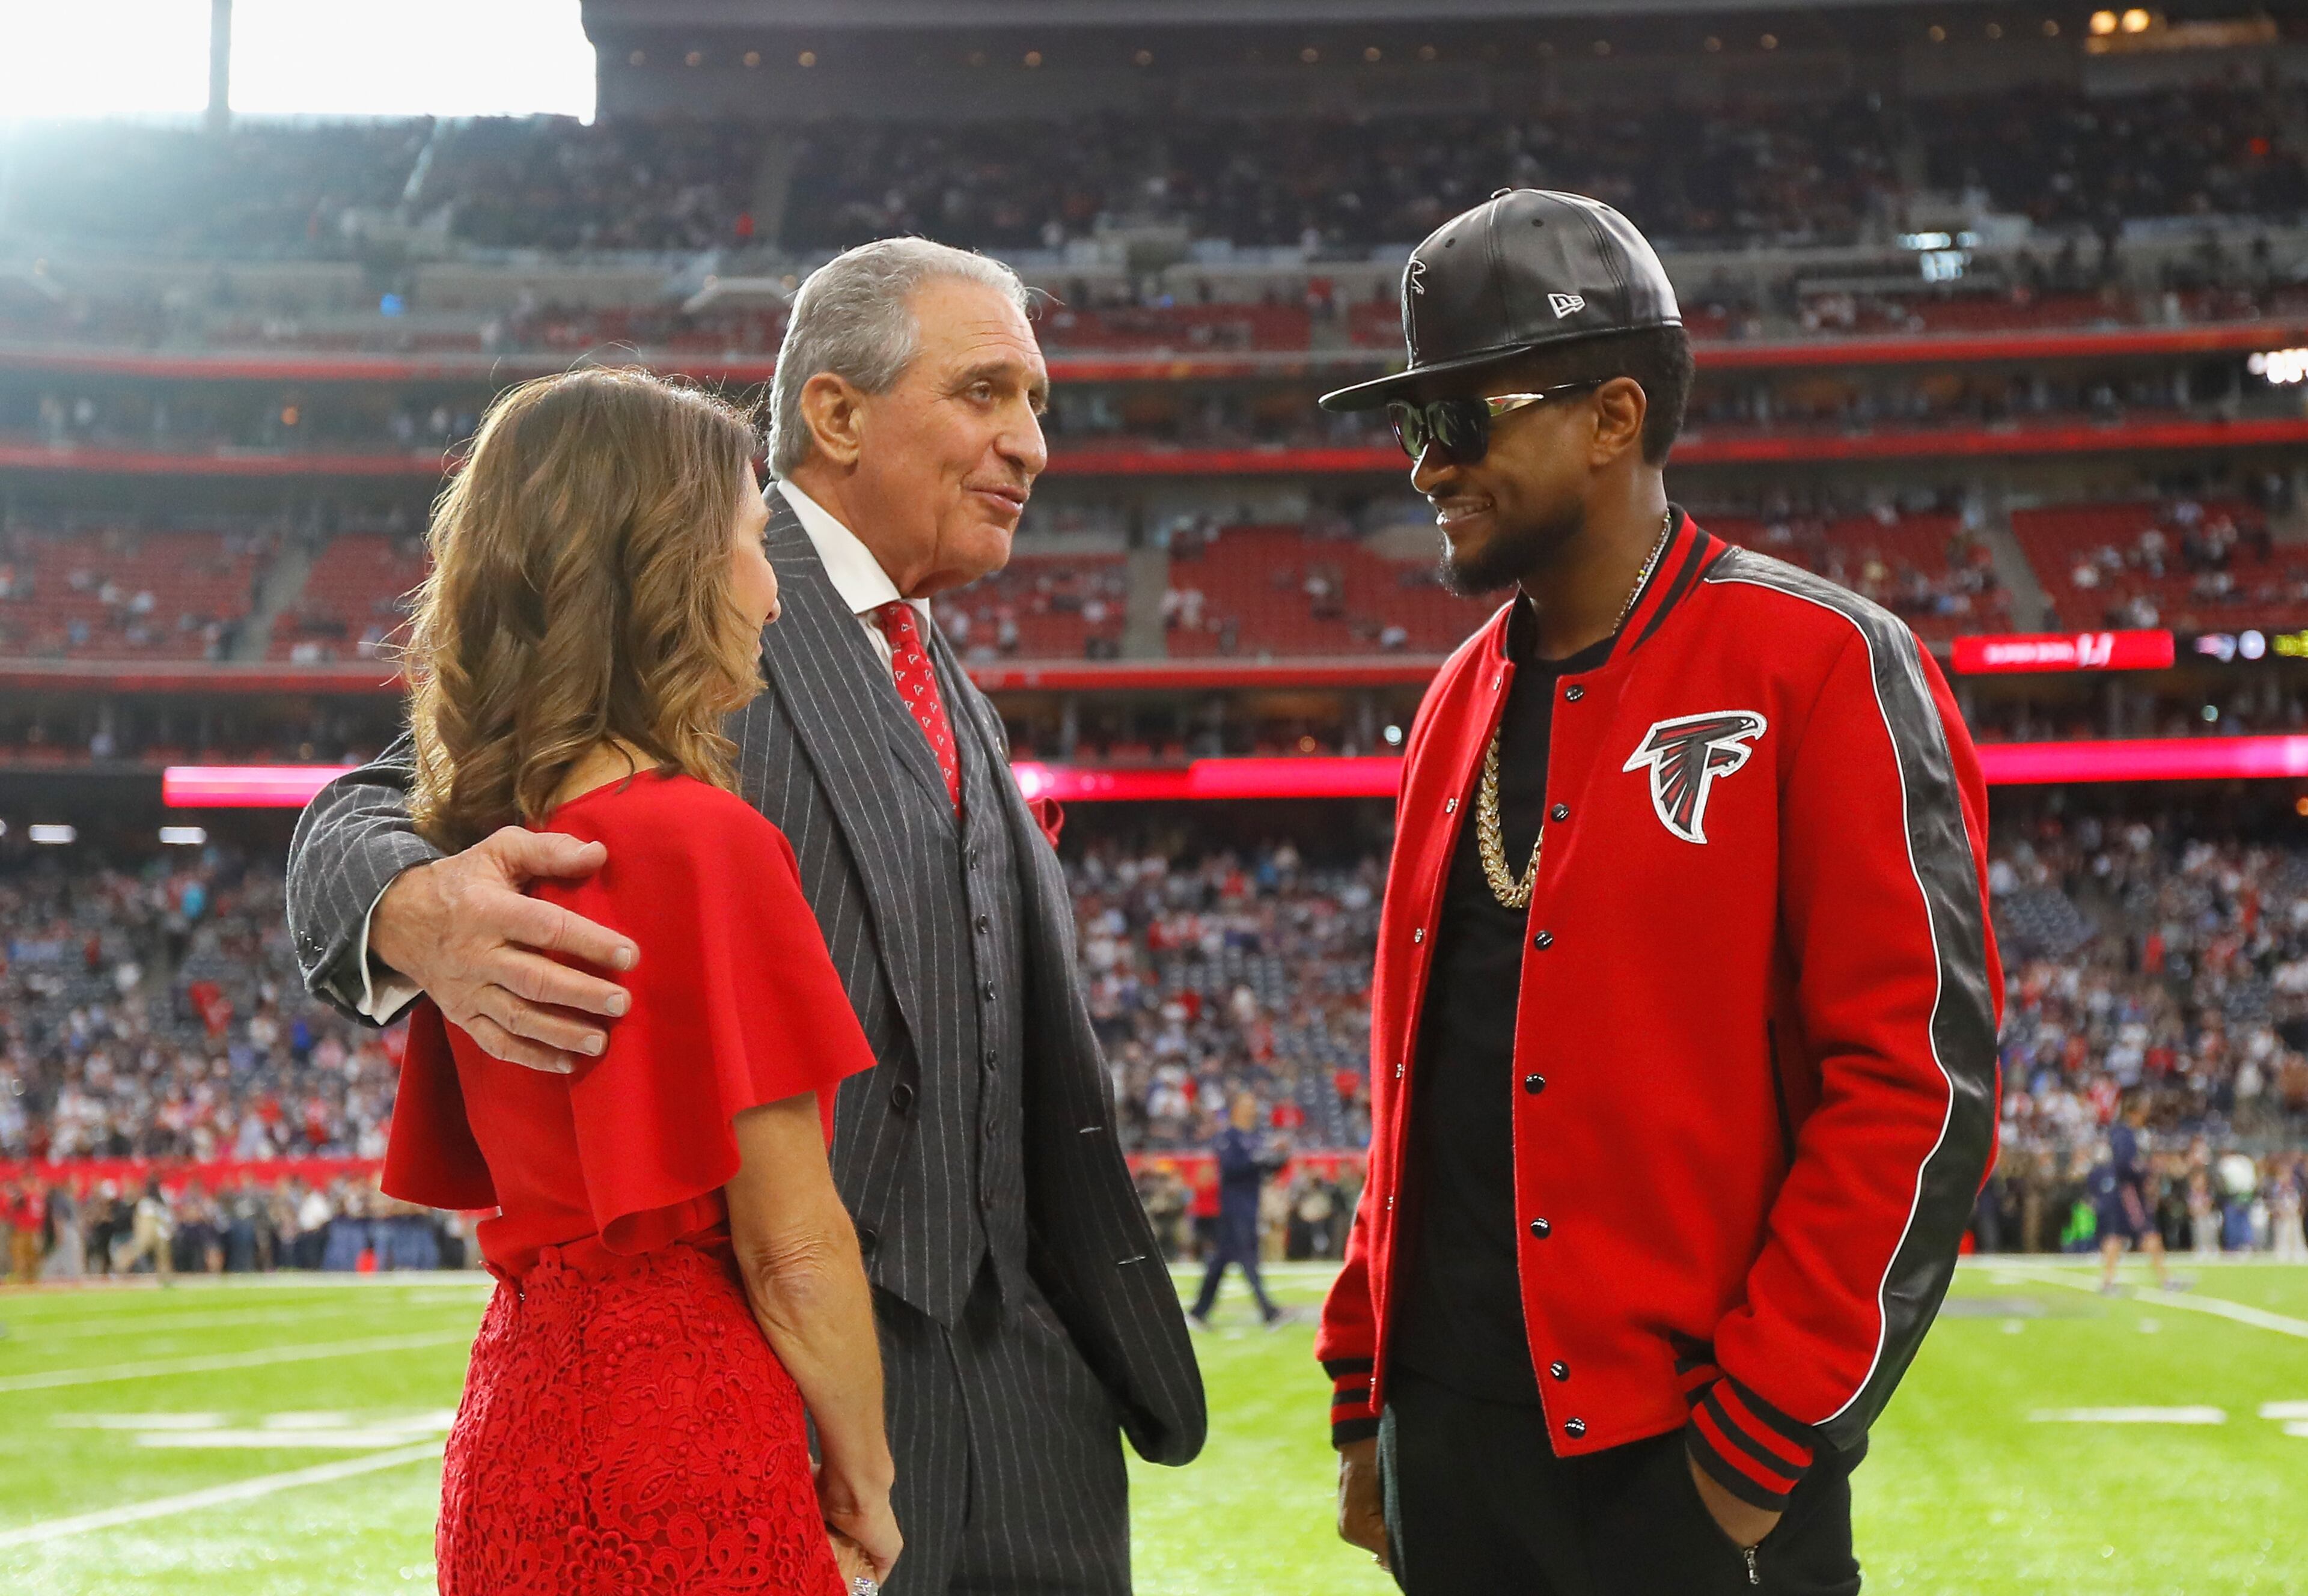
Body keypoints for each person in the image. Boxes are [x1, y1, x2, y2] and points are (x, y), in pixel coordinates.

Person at [287, 239, 1204, 1595]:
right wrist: (410, 905)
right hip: (796, 1396)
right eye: (986, 393)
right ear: (835, 413)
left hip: (1029, 1397)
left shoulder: (945, 670)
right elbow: (374, 803)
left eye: (1039, 402)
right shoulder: (690, 598)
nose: (1029, 443)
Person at [1311, 190, 2002, 1595]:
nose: (1424, 465)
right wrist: (1364, 1389)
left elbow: (1914, 1081)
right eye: (1410, 424)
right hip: (1444, 1453)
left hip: (1681, 1464)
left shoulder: (1816, 661)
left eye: (1461, 416)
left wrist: (1756, 1439)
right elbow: (1412, 1079)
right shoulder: (1451, 698)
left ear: (1611, 415)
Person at [372, 368, 896, 1596]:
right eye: (752, 549)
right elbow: (794, 1246)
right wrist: (864, 1468)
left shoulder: (481, 854)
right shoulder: (702, 840)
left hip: (513, 1428)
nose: (772, 595)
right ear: (667, 576)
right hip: (684, 1426)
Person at [1189, 1092, 1288, 1328]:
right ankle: (1268, 1310)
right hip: (1234, 1206)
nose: (1252, 1110)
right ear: (1236, 1109)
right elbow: (1231, 1168)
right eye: (1247, 1105)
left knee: (1222, 1259)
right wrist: (1259, 1159)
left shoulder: (1253, 1138)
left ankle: (1198, 1313)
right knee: (1247, 1255)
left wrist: (1280, 1155)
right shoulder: (1229, 1137)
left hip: (1250, 1204)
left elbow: (1267, 1169)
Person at [2093, 1094, 2176, 1293]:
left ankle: (2108, 1280)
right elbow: (2125, 1165)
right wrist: (2147, 1170)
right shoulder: (2125, 1135)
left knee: (2117, 1235)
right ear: (2133, 1112)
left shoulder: (2120, 1133)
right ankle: (2165, 1279)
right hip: (2129, 1192)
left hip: (2120, 1190)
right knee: (2148, 1231)